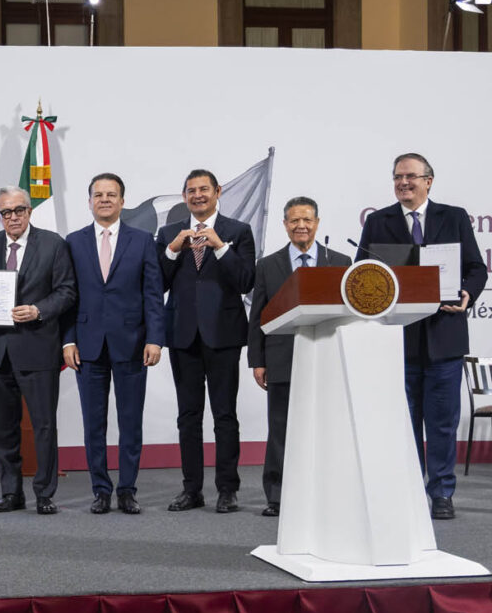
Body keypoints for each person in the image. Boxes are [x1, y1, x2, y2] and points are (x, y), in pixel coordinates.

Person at [356, 153, 487, 520]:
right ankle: (409, 490)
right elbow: (361, 271)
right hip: (397, 340)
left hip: (445, 336)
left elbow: (476, 269)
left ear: (429, 180)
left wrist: (466, 293)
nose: (404, 183)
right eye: (398, 177)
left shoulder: (455, 217)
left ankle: (442, 493)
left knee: (443, 422)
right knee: (403, 421)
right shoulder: (379, 221)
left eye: (411, 177)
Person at [64, 173, 165, 515]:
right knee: (93, 424)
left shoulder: (141, 241)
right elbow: (68, 296)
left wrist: (155, 338)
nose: (104, 199)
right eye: (98, 194)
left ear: (122, 201)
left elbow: (153, 295)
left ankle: (127, 489)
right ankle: (101, 489)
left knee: (130, 421)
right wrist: (68, 341)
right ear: (89, 201)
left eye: (111, 194)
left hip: (133, 343)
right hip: (88, 345)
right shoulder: (73, 242)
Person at [156, 169, 255, 514]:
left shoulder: (237, 232)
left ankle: (227, 489)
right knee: (188, 416)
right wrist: (170, 251)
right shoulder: (169, 233)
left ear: (217, 192)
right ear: (184, 196)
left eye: (204, 189)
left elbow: (245, 281)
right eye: (191, 190)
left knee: (225, 415)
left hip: (223, 335)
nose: (197, 195)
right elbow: (158, 284)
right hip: (182, 335)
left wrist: (221, 248)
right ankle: (191, 490)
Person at [0, 186, 77, 515]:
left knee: (44, 426)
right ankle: (11, 493)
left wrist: (38, 310)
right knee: (3, 429)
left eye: (19, 210)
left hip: (38, 348)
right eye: (7, 212)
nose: (14, 217)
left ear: (30, 211)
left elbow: (67, 291)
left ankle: (44, 493)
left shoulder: (53, 244)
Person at [247, 197, 351, 517]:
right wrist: (257, 361)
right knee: (281, 429)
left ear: (317, 223)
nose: (300, 226)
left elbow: (349, 313)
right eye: (294, 221)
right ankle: (277, 496)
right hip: (281, 359)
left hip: (328, 356)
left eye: (306, 220)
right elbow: (258, 317)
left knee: (329, 427)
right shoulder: (267, 265)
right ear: (285, 225)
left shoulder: (340, 261)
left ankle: (330, 491)